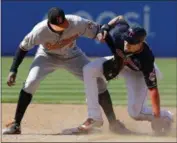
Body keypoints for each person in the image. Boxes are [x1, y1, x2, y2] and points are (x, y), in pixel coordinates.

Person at [3, 7, 127, 135]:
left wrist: (112, 50)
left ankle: (114, 124)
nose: (63, 26)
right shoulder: (39, 31)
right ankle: (16, 124)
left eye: (64, 23)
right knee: (30, 83)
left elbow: (100, 30)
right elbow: (23, 48)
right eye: (59, 25)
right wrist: (13, 69)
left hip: (72, 55)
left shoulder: (77, 22)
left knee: (99, 83)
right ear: (50, 24)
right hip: (46, 56)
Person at [70, 15, 174, 135]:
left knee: (136, 113)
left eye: (130, 43)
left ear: (140, 43)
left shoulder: (146, 58)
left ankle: (167, 116)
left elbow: (153, 90)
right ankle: (94, 117)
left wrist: (156, 117)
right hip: (119, 63)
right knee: (89, 69)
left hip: (137, 73)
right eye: (126, 40)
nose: (126, 44)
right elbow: (120, 18)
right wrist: (106, 27)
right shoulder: (118, 35)